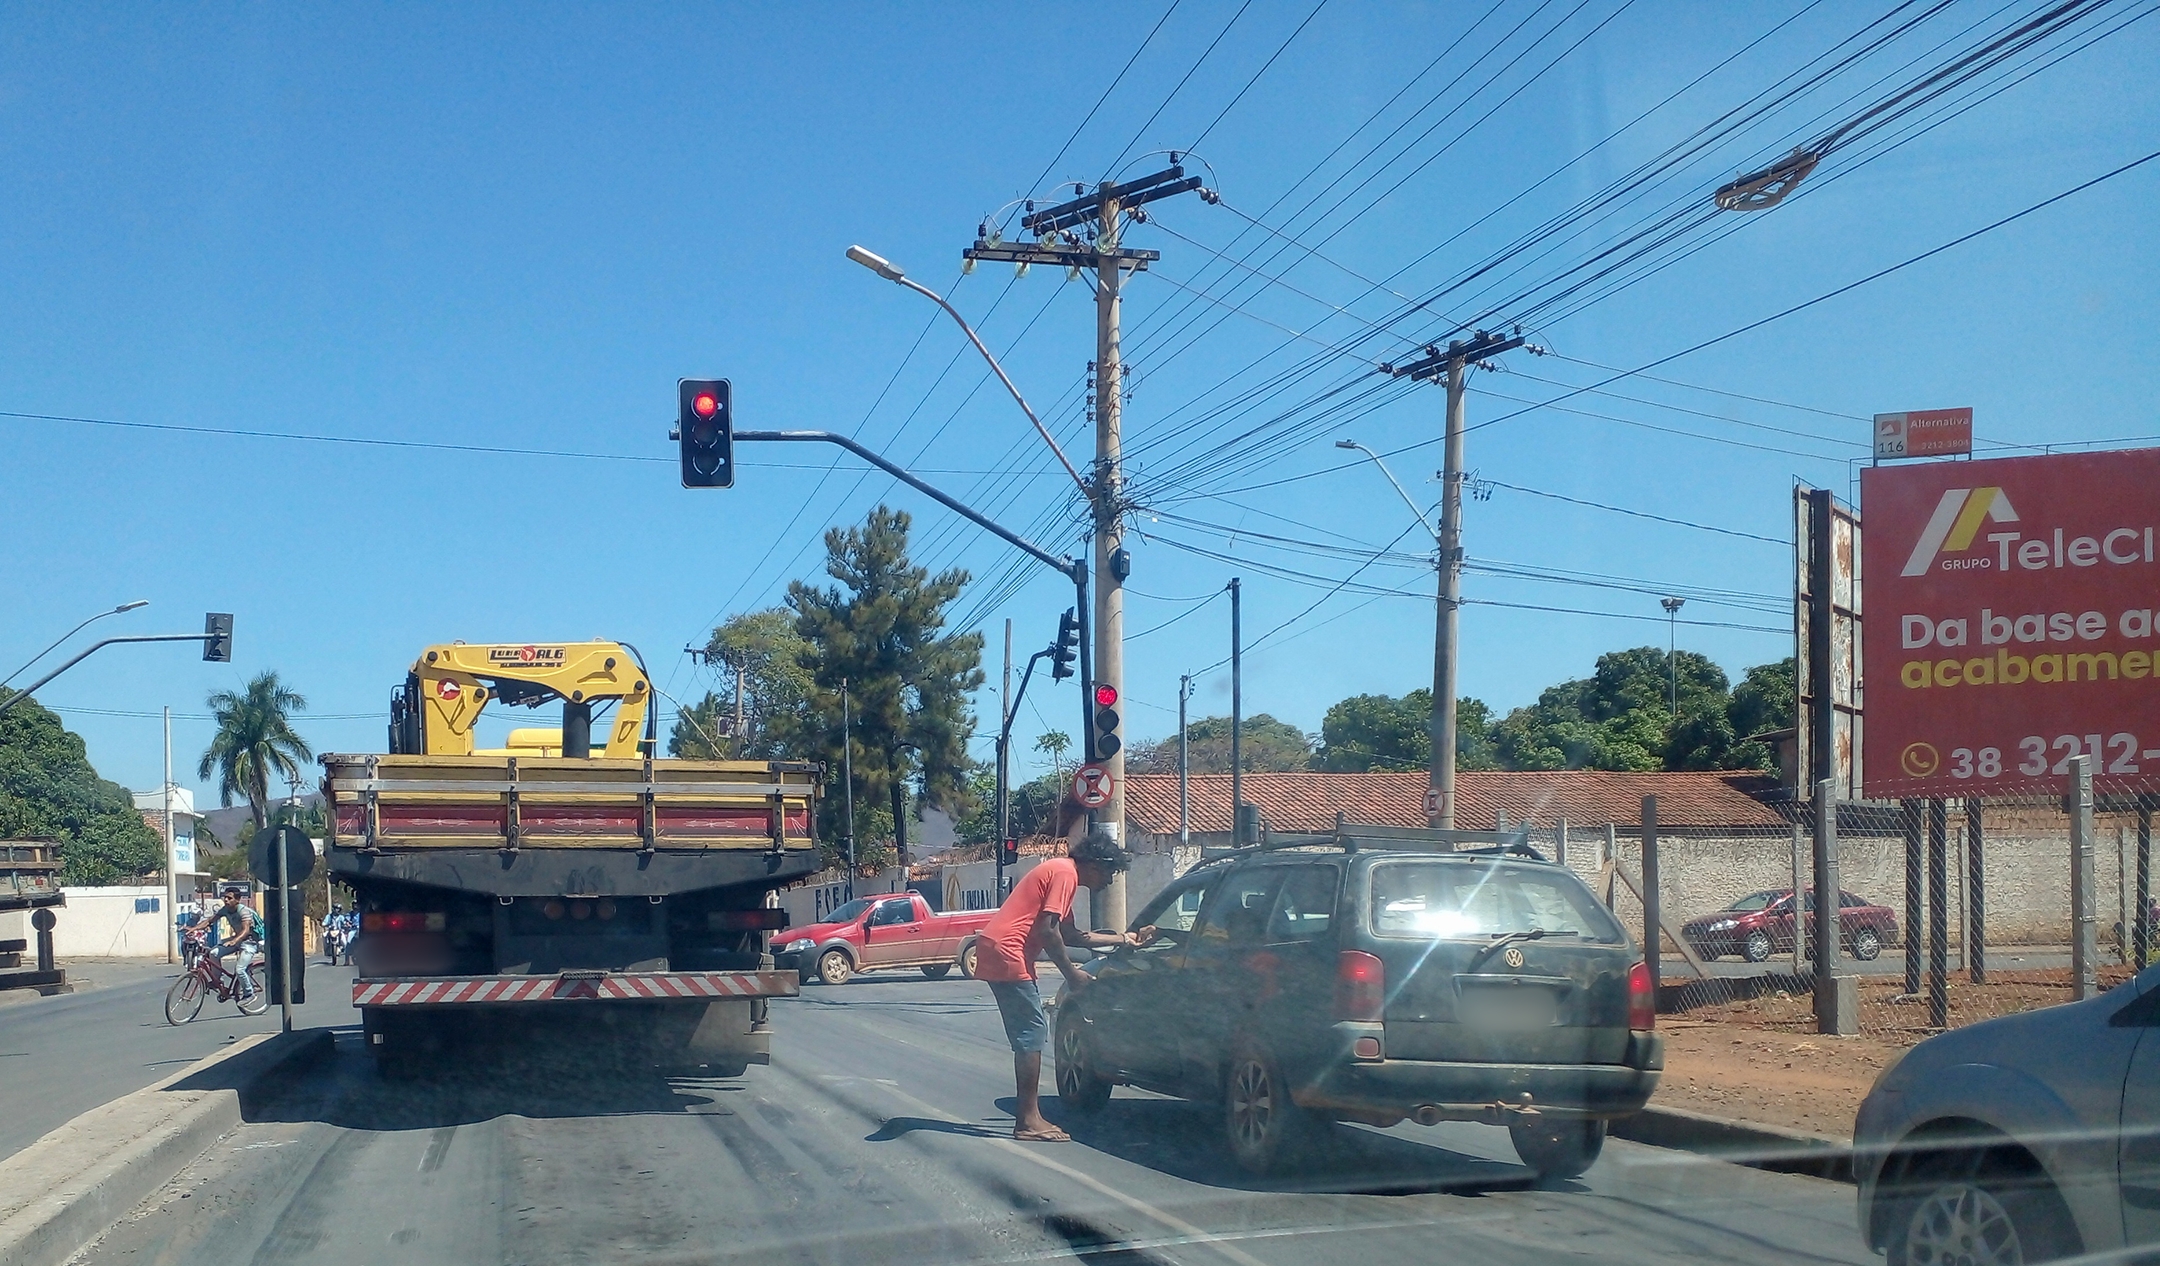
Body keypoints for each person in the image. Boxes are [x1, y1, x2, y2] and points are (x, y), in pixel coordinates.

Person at [972, 830, 1153, 1142]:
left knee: (1030, 1033)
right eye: (1109, 873)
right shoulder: (1064, 874)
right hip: (1008, 951)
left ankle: (1028, 1117)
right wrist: (1072, 974)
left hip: (1000, 948)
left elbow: (1070, 935)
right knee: (1031, 1034)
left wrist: (1125, 939)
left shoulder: (1060, 872)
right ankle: (1028, 1120)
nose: (1109, 881)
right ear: (1095, 864)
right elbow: (1048, 931)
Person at [205, 885, 264, 1000]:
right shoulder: (225, 910)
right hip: (236, 940)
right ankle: (217, 981)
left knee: (240, 970)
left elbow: (246, 930)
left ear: (237, 900)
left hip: (250, 943)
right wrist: (193, 929)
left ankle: (249, 993)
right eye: (225, 897)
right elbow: (209, 920)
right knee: (213, 953)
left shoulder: (244, 912)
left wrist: (234, 941)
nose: (226, 900)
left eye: (229, 898)